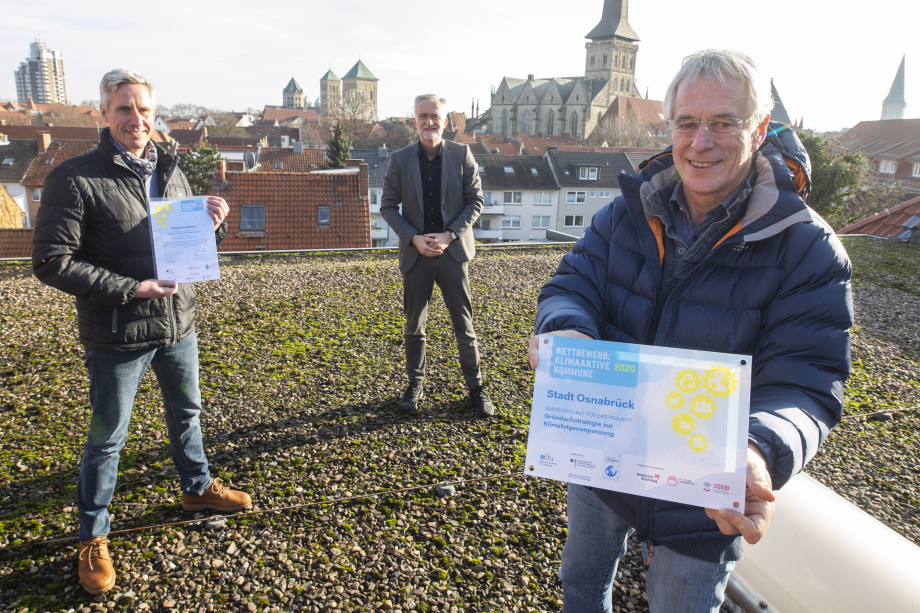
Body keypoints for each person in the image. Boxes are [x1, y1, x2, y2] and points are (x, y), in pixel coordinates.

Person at [528, 50, 853, 612]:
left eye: (723, 123)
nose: (701, 142)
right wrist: (565, 333)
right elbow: (571, 283)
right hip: (604, 460)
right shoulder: (628, 210)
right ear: (671, 127)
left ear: (759, 129)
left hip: (706, 490)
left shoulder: (809, 248)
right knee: (580, 588)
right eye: (687, 124)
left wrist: (756, 448)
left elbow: (806, 383)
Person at [31, 69, 251, 595]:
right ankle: (92, 533)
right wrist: (132, 288)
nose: (137, 119)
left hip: (178, 322)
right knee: (108, 440)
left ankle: (196, 488)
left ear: (155, 114)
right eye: (125, 109)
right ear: (105, 114)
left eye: (144, 109)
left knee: (188, 412)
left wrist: (212, 223)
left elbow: (183, 244)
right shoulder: (75, 176)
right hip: (116, 331)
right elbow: (50, 261)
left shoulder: (170, 166)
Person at [380, 94, 494, 418]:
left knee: (464, 326)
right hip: (416, 256)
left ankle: (477, 388)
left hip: (452, 254)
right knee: (414, 327)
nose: (429, 122)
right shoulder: (399, 159)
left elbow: (476, 200)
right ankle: (414, 385)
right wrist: (414, 238)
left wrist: (450, 234)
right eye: (422, 116)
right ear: (414, 121)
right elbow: (387, 206)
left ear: (445, 121)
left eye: (434, 116)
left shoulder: (462, 154)